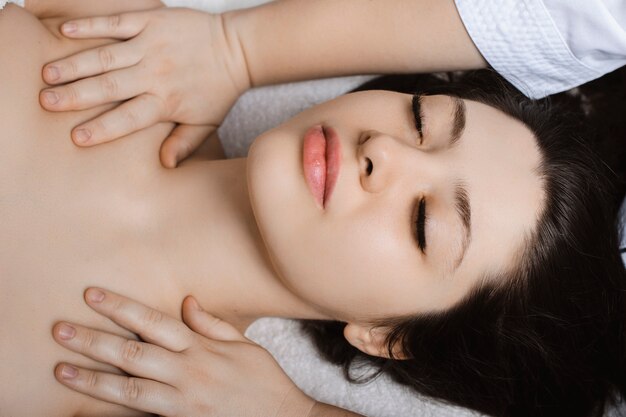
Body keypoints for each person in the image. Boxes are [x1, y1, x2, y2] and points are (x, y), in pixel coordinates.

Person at [1, 1, 622, 417]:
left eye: (422, 224)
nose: (383, 150)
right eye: (419, 118)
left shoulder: (113, 392)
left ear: (384, 336)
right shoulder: (125, 38)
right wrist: (232, 49)